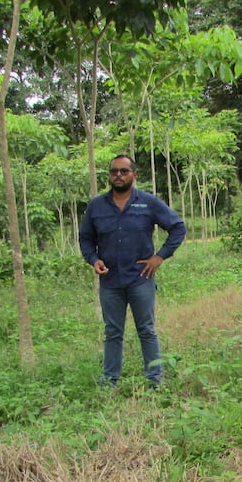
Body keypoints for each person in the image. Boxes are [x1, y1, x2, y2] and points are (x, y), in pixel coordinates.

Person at [79, 155, 186, 388]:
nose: (118, 175)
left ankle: (155, 380)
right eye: (114, 171)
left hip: (141, 278)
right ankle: (109, 380)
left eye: (124, 171)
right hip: (110, 281)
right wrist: (94, 259)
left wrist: (159, 257)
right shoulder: (97, 206)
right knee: (113, 332)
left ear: (134, 175)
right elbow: (86, 238)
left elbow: (178, 227)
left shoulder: (148, 202)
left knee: (146, 330)